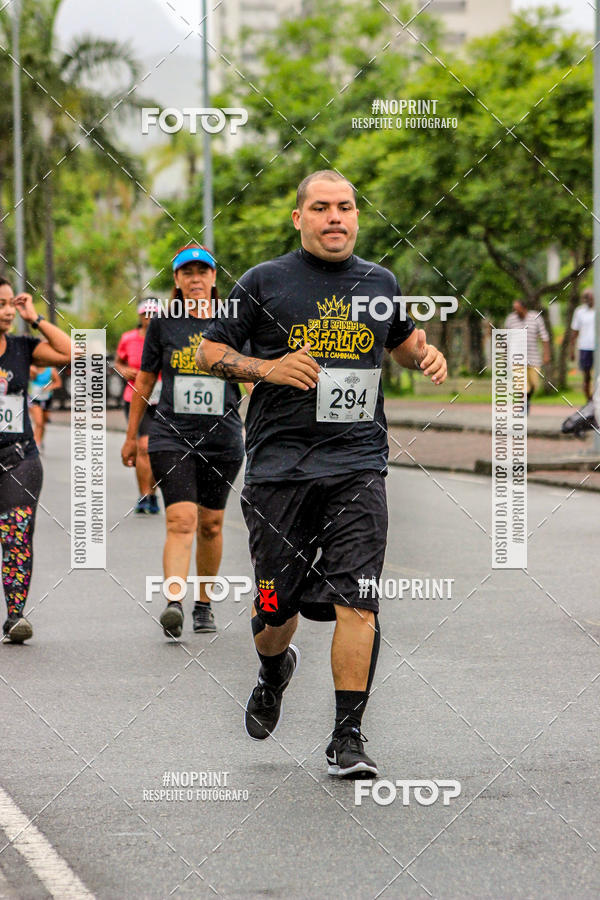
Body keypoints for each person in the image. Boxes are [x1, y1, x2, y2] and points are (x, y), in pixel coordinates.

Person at [197, 170, 447, 778]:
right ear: (299, 218)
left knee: (357, 600)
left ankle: (348, 736)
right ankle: (274, 668)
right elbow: (206, 352)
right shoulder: (262, 281)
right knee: (274, 609)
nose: (335, 217)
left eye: (346, 207)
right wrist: (267, 369)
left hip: (358, 465)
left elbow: (403, 339)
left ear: (356, 217)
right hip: (279, 469)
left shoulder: (379, 282)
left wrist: (425, 353)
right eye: (322, 208)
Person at [120, 245, 246, 636]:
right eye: (187, 273)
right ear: (176, 280)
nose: (195, 279)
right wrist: (130, 436)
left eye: (202, 272)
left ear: (213, 278)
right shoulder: (163, 324)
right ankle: (174, 601)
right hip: (171, 433)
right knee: (180, 519)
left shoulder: (234, 321)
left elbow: (255, 376)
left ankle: (203, 604)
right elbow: (145, 380)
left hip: (222, 437)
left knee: (211, 523)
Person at [0, 279, 71, 643]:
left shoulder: (22, 347)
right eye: (2, 304)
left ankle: (15, 616)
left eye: (11, 303)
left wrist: (36, 318)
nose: (9, 310)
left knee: (15, 535)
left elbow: (71, 352)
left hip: (18, 457)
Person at [114, 300, 161, 514]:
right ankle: (145, 495)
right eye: (146, 313)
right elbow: (118, 362)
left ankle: (153, 491)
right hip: (135, 398)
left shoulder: (167, 335)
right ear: (140, 316)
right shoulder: (128, 338)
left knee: (157, 449)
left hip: (164, 398)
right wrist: (123, 371)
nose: (149, 317)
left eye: (154, 313)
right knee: (143, 445)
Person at [505, 299, 551, 413]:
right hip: (516, 357)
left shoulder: (535, 317)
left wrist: (546, 354)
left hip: (533, 356)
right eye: (514, 309)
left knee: (534, 384)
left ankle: (527, 400)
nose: (515, 312)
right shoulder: (511, 319)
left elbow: (544, 337)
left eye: (517, 309)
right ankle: (523, 405)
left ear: (524, 308)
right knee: (521, 384)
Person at [570, 288, 595, 401]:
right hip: (585, 347)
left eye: (589, 296)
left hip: (597, 348)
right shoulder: (579, 311)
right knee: (586, 376)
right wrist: (571, 350)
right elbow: (575, 332)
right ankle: (588, 400)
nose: (588, 299)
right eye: (585, 297)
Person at [28, 365, 62, 449]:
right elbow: (28, 379)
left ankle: (39, 440)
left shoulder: (51, 370)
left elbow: (58, 383)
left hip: (46, 398)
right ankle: (35, 443)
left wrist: (50, 387)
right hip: (34, 398)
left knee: (43, 423)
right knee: (38, 422)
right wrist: (33, 373)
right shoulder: (31, 368)